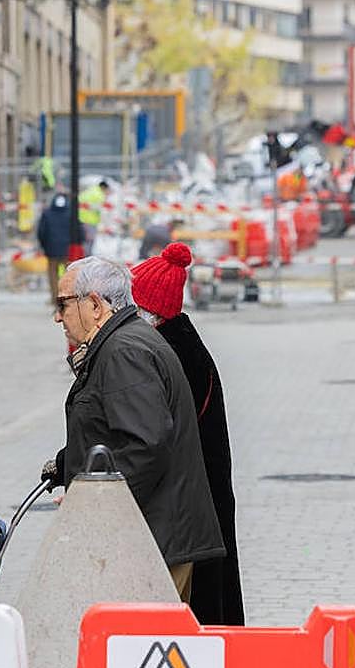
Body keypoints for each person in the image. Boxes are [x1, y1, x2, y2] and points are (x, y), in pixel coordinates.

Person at [41, 256, 225, 603]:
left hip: (154, 539)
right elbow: (116, 433)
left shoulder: (124, 351)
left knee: (142, 635)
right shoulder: (124, 342)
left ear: (95, 305)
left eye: (62, 304)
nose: (57, 316)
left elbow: (145, 445)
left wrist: (97, 498)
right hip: (150, 534)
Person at [130, 243, 245, 626]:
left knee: (205, 593)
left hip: (198, 492)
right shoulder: (180, 342)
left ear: (148, 308)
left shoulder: (173, 352)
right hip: (202, 487)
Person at [35, 192, 72, 299]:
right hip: (67, 250)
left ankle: (55, 298)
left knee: (53, 275)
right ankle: (66, 297)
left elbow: (41, 232)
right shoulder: (71, 214)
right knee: (68, 274)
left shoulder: (47, 214)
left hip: (51, 250)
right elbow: (78, 231)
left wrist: (44, 246)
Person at [77, 179, 111, 255]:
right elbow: (100, 210)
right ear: (104, 188)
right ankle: (87, 258)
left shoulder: (89, 191)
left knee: (84, 240)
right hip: (90, 221)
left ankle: (83, 256)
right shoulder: (99, 195)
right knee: (89, 241)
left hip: (81, 219)